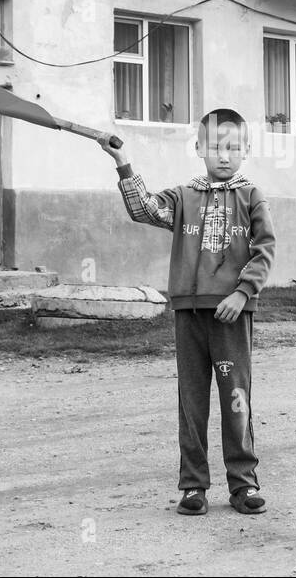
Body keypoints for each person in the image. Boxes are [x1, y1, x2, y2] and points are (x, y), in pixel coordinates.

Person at [99, 109, 276, 516]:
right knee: (192, 401)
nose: (225, 155)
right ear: (199, 148)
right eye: (216, 146)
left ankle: (243, 485)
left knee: (236, 398)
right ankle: (193, 486)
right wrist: (122, 162)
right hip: (189, 314)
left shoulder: (252, 197)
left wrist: (243, 293)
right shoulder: (183, 197)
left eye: (233, 147)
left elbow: (265, 250)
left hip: (231, 316)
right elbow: (145, 210)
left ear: (245, 150)